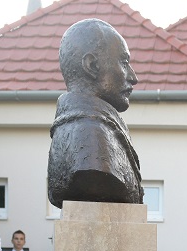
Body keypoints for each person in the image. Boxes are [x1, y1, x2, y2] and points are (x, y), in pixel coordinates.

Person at [47, 19, 143, 208]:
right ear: (92, 66)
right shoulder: (90, 135)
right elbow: (95, 174)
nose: (133, 77)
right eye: (124, 62)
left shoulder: (95, 129)